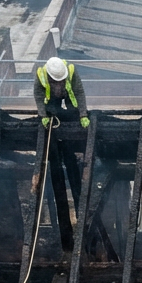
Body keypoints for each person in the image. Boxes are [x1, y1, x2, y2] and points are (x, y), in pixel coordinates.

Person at [33, 55, 89, 214]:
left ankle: (71, 127)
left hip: (69, 97)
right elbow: (38, 96)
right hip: (52, 101)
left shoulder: (70, 71)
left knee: (72, 113)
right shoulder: (41, 75)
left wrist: (83, 115)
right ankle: (56, 123)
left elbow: (79, 92)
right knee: (54, 112)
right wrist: (43, 116)